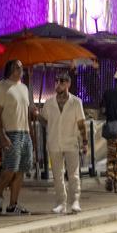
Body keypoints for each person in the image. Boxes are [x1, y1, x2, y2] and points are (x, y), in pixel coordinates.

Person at [40, 71, 86, 214]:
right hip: (54, 142)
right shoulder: (49, 103)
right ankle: (61, 202)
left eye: (62, 81)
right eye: (56, 81)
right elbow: (44, 120)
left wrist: (85, 142)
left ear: (68, 84)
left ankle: (76, 200)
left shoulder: (76, 102)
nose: (58, 84)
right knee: (57, 174)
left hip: (71, 141)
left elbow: (81, 123)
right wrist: (37, 115)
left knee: (73, 173)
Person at [0, 59, 34, 214]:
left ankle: (13, 204)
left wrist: (31, 135)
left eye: (22, 67)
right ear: (10, 69)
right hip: (11, 132)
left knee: (21, 169)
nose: (20, 69)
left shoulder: (24, 88)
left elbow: (27, 113)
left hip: (25, 133)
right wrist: (2, 135)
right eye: (17, 67)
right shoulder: (2, 87)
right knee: (10, 168)